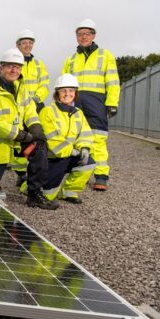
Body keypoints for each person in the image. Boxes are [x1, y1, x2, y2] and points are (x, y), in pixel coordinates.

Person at [0, 48, 58, 210]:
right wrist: (24, 136)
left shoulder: (21, 88)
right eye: (10, 66)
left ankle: (34, 194)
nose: (14, 70)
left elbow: (29, 111)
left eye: (17, 67)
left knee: (40, 146)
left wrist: (36, 129)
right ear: (1, 67)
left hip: (16, 140)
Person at [62, 18, 120, 191]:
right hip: (76, 101)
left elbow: (112, 80)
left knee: (98, 138)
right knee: (75, 136)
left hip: (97, 101)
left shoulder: (105, 55)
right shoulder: (71, 59)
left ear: (93, 35)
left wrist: (112, 103)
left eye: (87, 33)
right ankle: (81, 171)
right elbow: (64, 83)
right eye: (80, 34)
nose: (83, 37)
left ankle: (101, 176)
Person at [38, 74, 95, 204]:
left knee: (89, 163)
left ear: (75, 93)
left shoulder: (78, 112)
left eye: (71, 90)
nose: (67, 93)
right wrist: (72, 151)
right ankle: (30, 185)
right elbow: (53, 139)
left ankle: (69, 192)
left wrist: (84, 148)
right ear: (57, 93)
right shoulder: (48, 111)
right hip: (52, 158)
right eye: (63, 90)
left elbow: (85, 133)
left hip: (69, 155)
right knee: (47, 196)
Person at [11, 29, 50, 187]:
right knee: (19, 138)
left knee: (37, 138)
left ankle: (35, 171)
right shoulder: (13, 62)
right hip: (18, 107)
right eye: (24, 43)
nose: (28, 45)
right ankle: (21, 174)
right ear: (18, 45)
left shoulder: (39, 64)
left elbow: (45, 84)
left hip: (35, 106)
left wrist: (36, 98)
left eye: (30, 43)